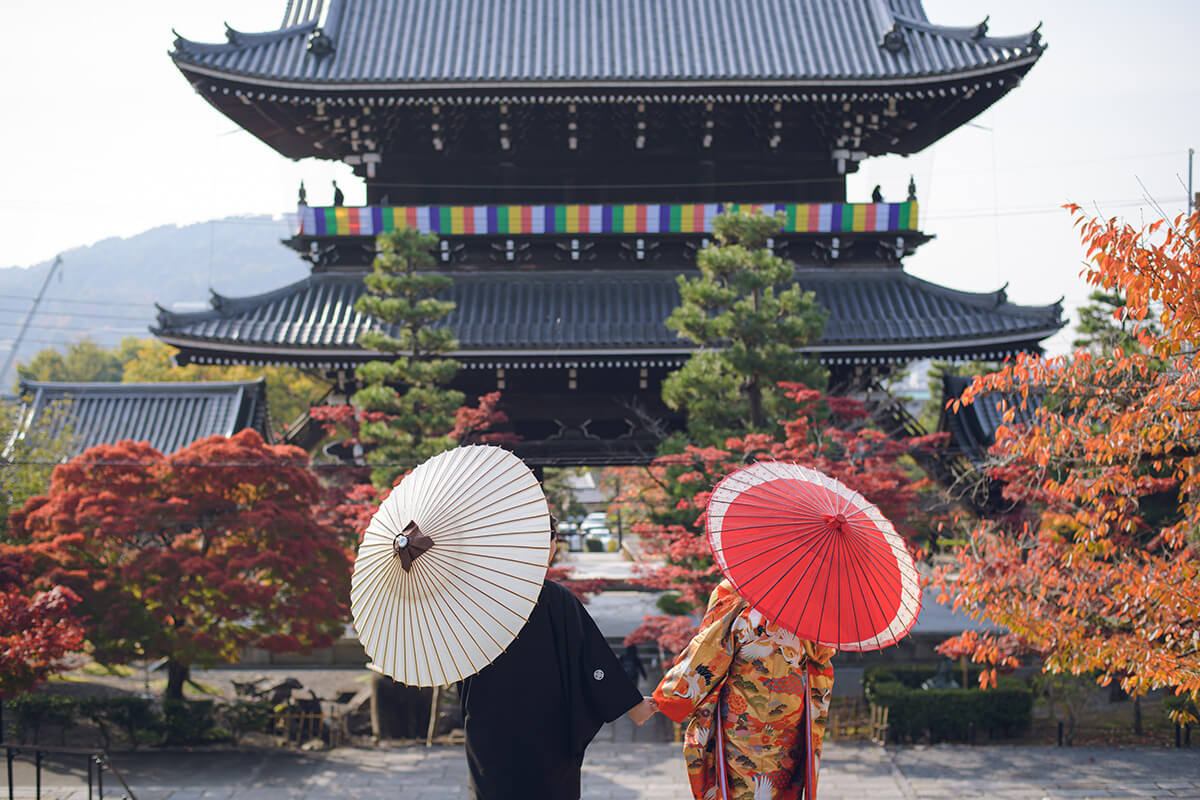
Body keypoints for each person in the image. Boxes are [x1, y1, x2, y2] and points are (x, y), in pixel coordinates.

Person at [459, 516, 656, 800]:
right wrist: (633, 705)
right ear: (545, 544)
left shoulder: (472, 600)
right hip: (545, 729)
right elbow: (592, 661)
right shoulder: (553, 598)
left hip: (488, 727)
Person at [653, 579, 835, 800]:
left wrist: (668, 696)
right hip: (788, 715)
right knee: (782, 784)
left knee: (743, 786)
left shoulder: (736, 591)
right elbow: (822, 656)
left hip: (742, 719)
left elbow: (709, 648)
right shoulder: (812, 604)